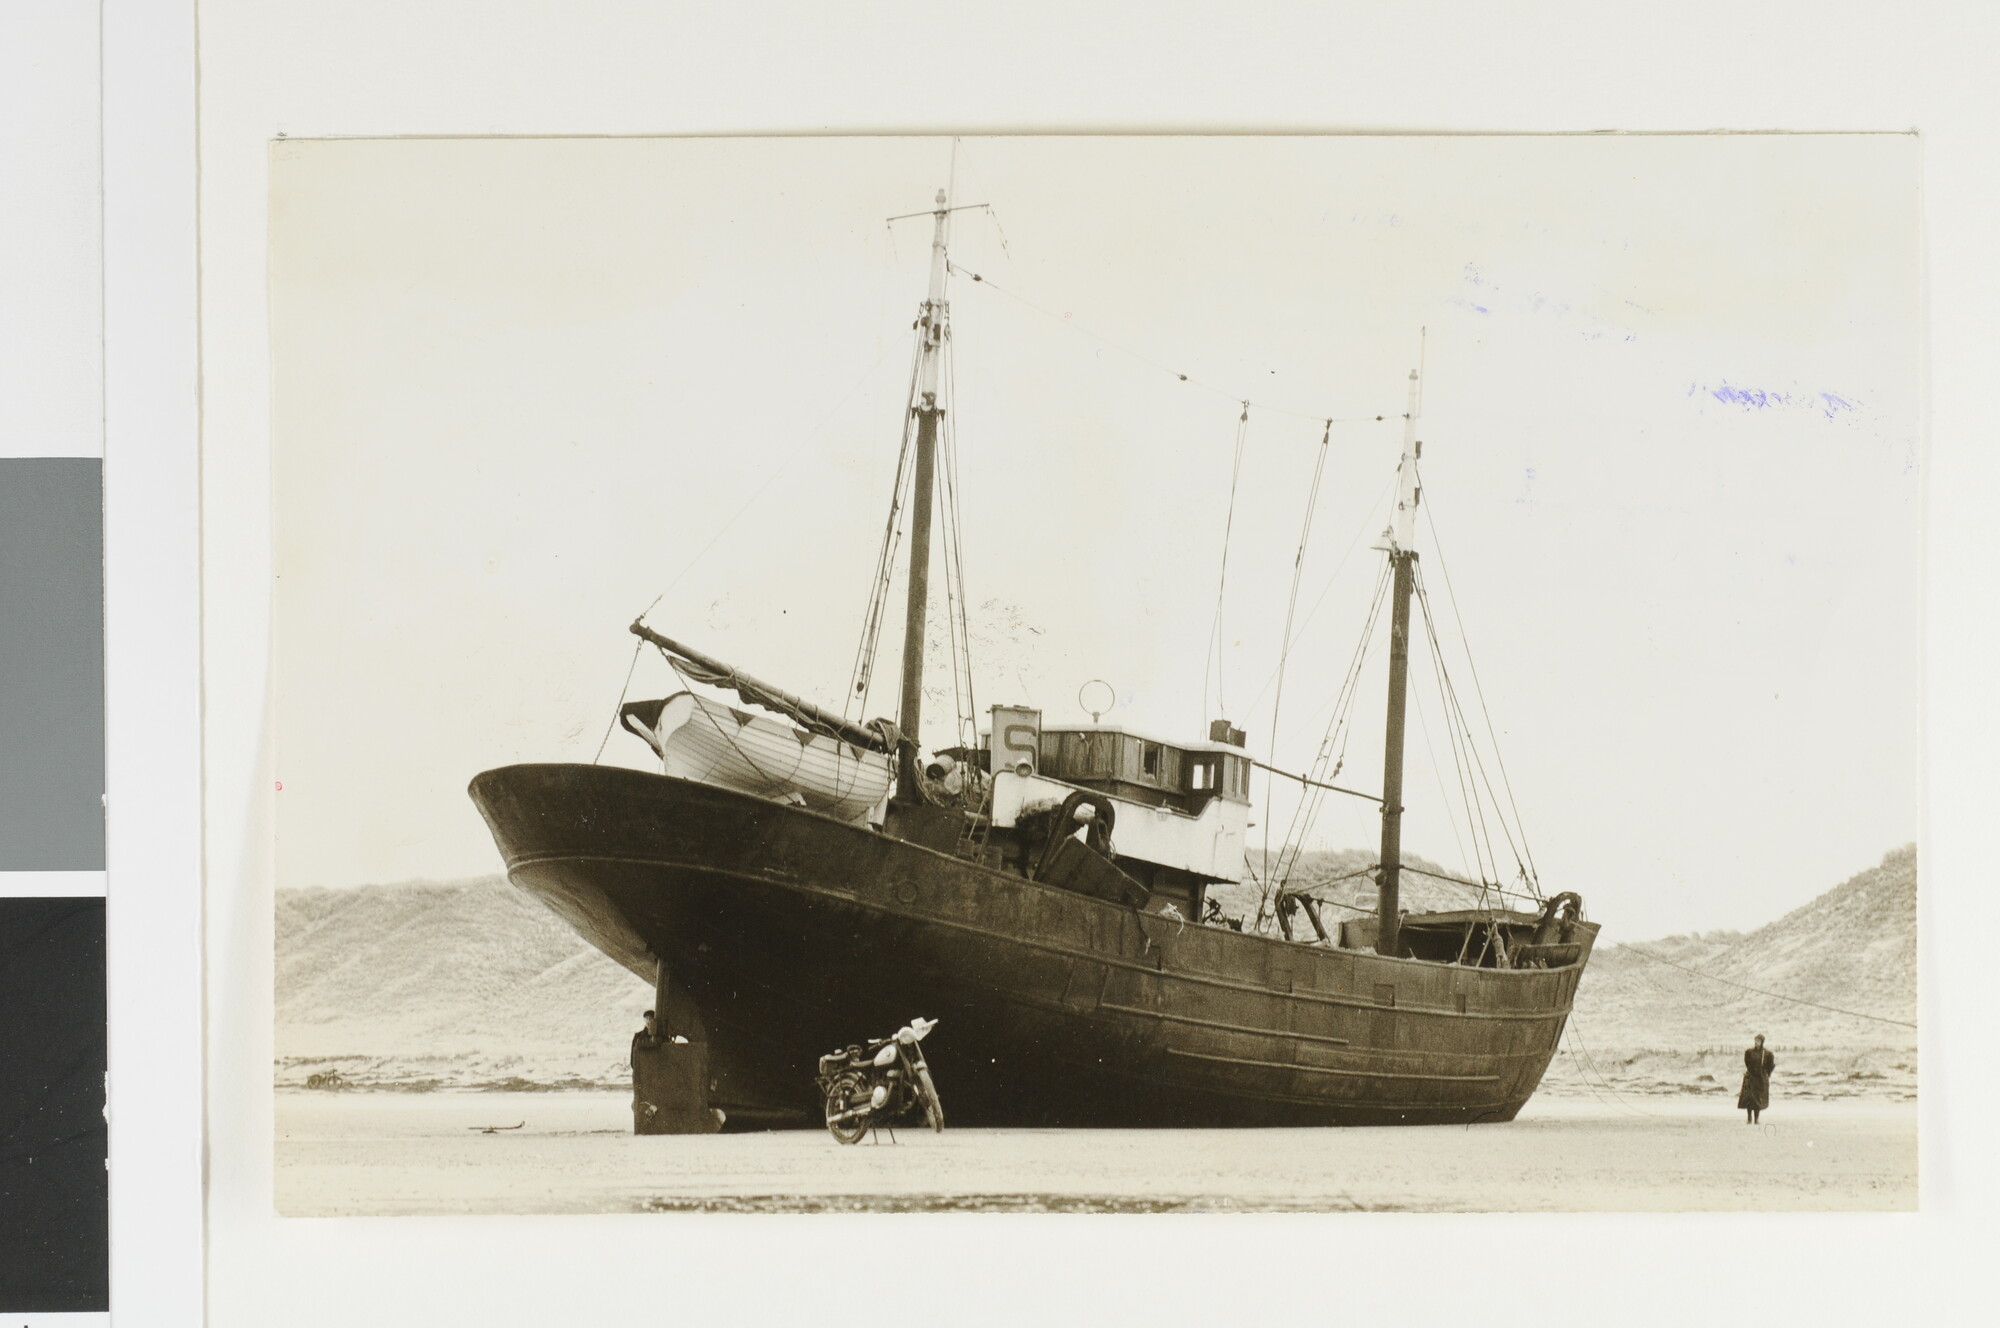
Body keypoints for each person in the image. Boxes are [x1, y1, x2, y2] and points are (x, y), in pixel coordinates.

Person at [1738, 1034, 1776, 1124]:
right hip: (1750, 1078)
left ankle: (1756, 1119)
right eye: (1755, 1040)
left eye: (1758, 1041)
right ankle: (1749, 1118)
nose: (1756, 1042)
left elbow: (1771, 1065)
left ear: (1762, 1042)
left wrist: (1766, 1074)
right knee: (1749, 1099)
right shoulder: (1749, 1052)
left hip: (1760, 1079)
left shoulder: (1766, 1054)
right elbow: (1747, 1062)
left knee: (1757, 1099)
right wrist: (1750, 1071)